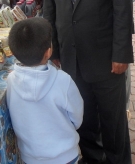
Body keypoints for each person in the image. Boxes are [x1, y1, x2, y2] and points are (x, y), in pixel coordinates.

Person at [43, 0, 133, 164]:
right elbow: (50, 12)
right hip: (71, 62)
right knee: (84, 122)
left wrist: (122, 55)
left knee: (113, 124)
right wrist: (54, 51)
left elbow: (123, 12)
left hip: (107, 61)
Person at [6, 17, 84, 164]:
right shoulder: (63, 80)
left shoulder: (11, 81)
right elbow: (77, 118)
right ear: (48, 52)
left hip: (30, 158)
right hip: (65, 156)